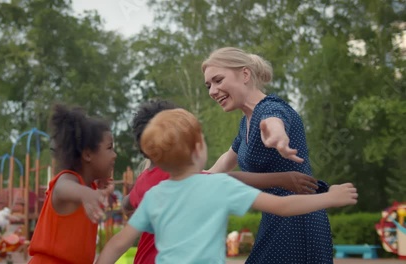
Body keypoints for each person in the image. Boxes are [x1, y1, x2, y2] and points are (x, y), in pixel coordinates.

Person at [96, 108, 358, 263]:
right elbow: (283, 205)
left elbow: (118, 243)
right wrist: (331, 197)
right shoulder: (215, 186)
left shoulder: (155, 194)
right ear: (198, 150)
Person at [202, 47, 334, 263]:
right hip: (276, 217)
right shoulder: (245, 122)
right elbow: (228, 158)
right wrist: (201, 177)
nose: (212, 91)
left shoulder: (269, 108)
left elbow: (274, 121)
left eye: (218, 80)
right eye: (209, 85)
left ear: (245, 75)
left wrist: (278, 136)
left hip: (298, 219)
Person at [28, 104, 116, 264]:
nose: (114, 155)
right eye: (110, 148)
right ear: (88, 154)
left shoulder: (89, 188)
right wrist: (86, 194)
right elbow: (62, 189)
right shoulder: (68, 180)